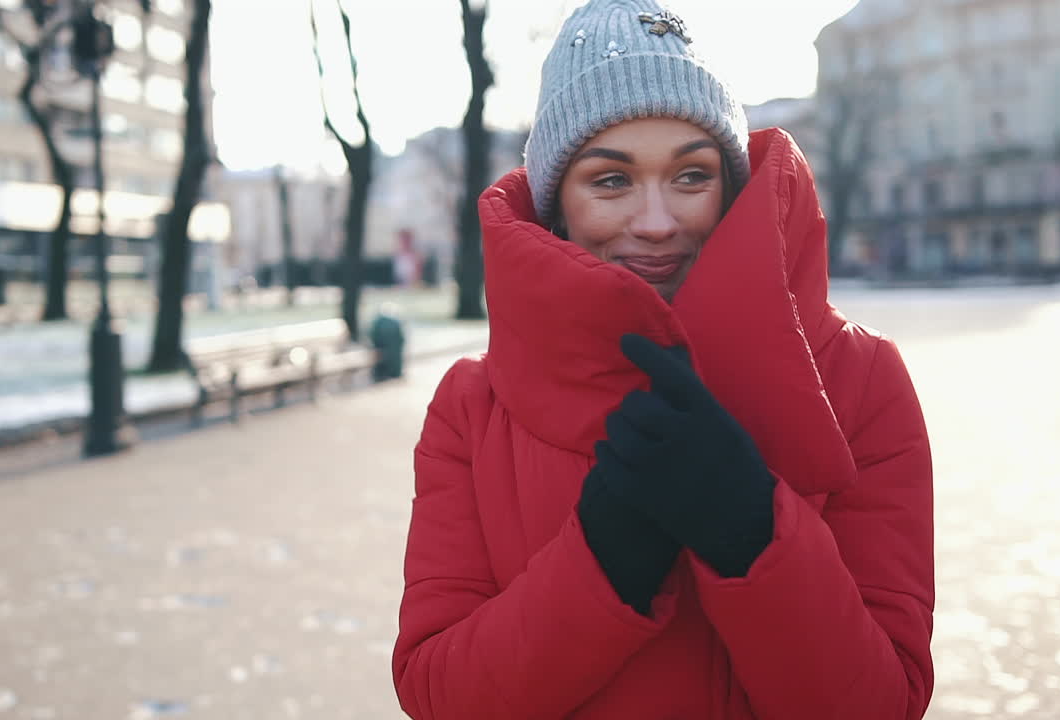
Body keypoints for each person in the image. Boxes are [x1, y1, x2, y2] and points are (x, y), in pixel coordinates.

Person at [392, 1, 934, 718]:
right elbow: (440, 695)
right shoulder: (473, 407)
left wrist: (750, 531)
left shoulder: (859, 382)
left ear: (732, 187)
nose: (655, 222)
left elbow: (882, 703)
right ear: (558, 204)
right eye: (610, 180)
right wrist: (605, 561)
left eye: (690, 176)